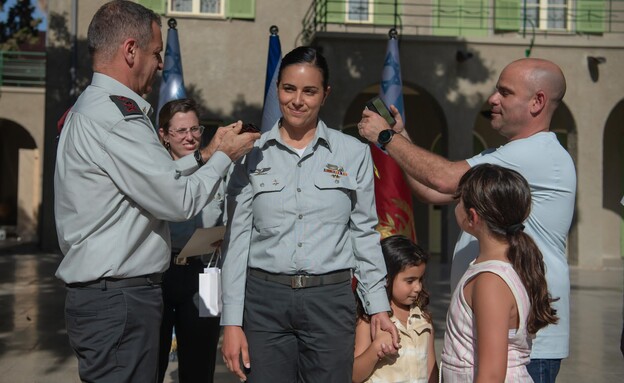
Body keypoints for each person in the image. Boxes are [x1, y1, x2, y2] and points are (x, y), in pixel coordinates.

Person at [54, 2, 259, 382]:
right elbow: (178, 200)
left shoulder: (94, 108)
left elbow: (152, 179)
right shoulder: (118, 118)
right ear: (131, 50)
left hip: (110, 297)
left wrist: (206, 153)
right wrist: (224, 157)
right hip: (119, 301)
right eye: (156, 53)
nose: (161, 64)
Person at [357, 58, 576, 382]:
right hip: (488, 335)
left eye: (505, 92)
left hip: (522, 347)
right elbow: (432, 190)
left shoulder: (535, 153)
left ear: (537, 101)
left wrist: (388, 138)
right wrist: (401, 138)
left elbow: (444, 179)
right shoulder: (505, 155)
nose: (493, 99)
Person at [220, 46, 399, 383]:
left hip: (329, 301)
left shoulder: (354, 153)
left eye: (309, 91)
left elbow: (363, 233)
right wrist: (230, 321)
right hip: (264, 303)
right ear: (277, 90)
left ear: (325, 94)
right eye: (289, 89)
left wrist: (378, 306)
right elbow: (237, 240)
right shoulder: (249, 153)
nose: (297, 100)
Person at [442, 163, 559, 381]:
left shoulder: (490, 281)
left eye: (459, 201)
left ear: (473, 217)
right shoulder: (504, 265)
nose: (455, 205)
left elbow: (492, 374)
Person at [156, 99, 224, 383]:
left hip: (207, 273)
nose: (190, 137)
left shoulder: (219, 168)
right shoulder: (156, 170)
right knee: (153, 357)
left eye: (195, 129)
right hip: (161, 272)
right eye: (181, 131)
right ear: (164, 135)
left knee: (202, 357)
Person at [353, 235, 438, 383]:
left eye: (420, 279)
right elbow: (355, 375)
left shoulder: (423, 318)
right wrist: (376, 349)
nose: (418, 287)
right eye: (410, 281)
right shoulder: (369, 320)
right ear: (386, 278)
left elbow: (432, 370)